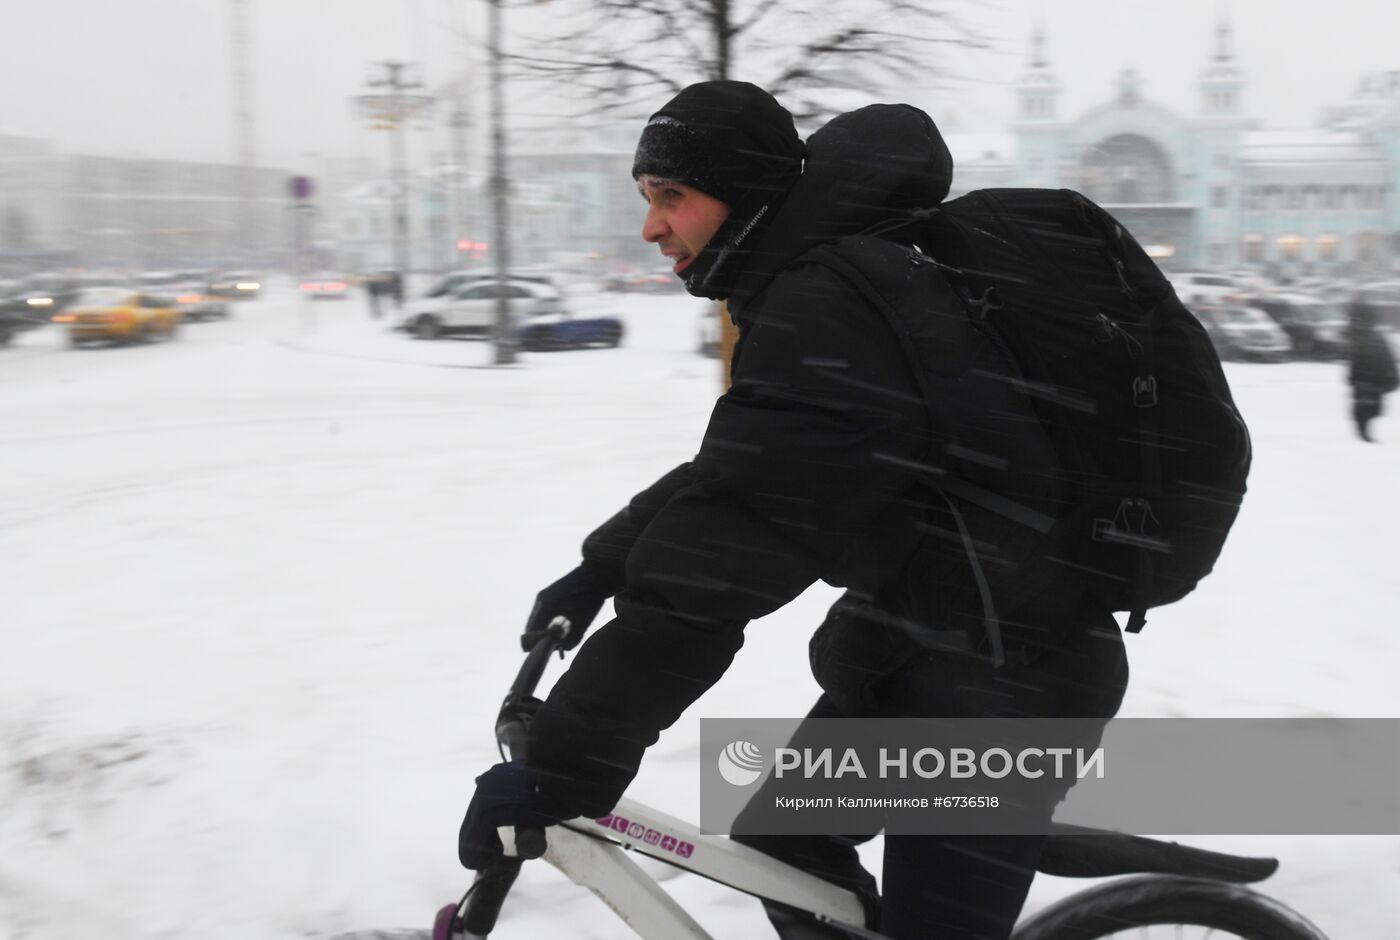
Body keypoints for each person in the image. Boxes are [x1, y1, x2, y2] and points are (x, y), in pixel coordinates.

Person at [457, 81, 1129, 940]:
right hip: (938, 653)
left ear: (741, 198)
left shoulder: (832, 308)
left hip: (1006, 689)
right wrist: (603, 565)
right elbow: (742, 476)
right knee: (786, 842)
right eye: (646, 197)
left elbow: (732, 547)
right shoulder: (828, 289)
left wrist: (562, 766)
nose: (651, 226)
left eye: (672, 195)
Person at [1346, 297, 1397, 442]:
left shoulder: (1365, 339)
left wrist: (1353, 379)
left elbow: (1356, 362)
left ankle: (1364, 434)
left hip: (1367, 380)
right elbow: (1387, 360)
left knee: (1365, 409)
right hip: (1371, 381)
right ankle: (1364, 434)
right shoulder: (1374, 339)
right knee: (1367, 409)